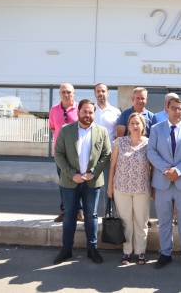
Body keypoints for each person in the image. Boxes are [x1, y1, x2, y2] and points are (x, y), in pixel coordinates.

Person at [53, 99, 111, 265]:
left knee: (91, 216)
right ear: (78, 112)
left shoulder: (102, 131)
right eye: (85, 111)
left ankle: (92, 249)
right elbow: (58, 154)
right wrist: (73, 175)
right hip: (70, 181)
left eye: (91, 112)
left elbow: (106, 155)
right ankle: (66, 250)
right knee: (70, 214)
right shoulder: (66, 130)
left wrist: (93, 173)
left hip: (92, 182)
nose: (88, 115)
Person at [147, 97, 181, 270]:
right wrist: (166, 170)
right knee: (164, 220)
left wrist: (178, 171)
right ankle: (165, 253)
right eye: (174, 108)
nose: (178, 112)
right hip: (163, 182)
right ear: (167, 109)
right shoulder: (156, 129)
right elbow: (151, 152)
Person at [107, 113, 151, 265]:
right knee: (125, 221)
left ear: (143, 125)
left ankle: (141, 252)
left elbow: (152, 167)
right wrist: (110, 186)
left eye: (138, 123)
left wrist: (154, 189)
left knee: (141, 221)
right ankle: (127, 252)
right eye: (132, 123)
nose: (135, 126)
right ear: (128, 125)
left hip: (142, 188)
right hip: (121, 188)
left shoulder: (149, 143)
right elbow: (112, 165)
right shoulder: (119, 142)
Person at [49, 83, 83, 223]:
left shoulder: (79, 109)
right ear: (59, 93)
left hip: (78, 153)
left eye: (68, 92)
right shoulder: (53, 110)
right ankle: (65, 211)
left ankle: (79, 211)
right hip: (60, 154)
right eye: (63, 92)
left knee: (79, 182)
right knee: (63, 183)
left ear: (74, 93)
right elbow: (52, 128)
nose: (66, 94)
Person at [93, 83, 121, 213]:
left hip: (108, 156)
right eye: (98, 91)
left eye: (103, 91)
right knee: (91, 187)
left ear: (108, 93)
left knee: (109, 187)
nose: (101, 93)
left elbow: (118, 135)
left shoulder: (115, 112)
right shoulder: (91, 111)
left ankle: (108, 215)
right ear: (95, 94)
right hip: (91, 156)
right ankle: (90, 215)